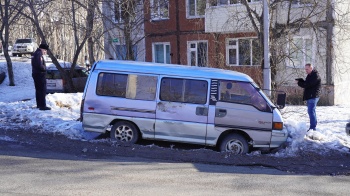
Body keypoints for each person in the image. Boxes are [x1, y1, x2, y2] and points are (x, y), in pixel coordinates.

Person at [296, 63, 321, 131]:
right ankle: (313, 126)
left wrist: (299, 83)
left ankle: (313, 128)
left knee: (311, 111)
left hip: (313, 96)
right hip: (310, 96)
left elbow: (308, 85)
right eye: (305, 69)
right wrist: (301, 80)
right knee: (312, 111)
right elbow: (307, 83)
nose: (306, 71)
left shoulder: (315, 76)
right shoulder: (309, 75)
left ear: (311, 68)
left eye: (307, 69)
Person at [32, 43, 51, 111]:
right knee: (42, 90)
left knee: (38, 90)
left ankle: (39, 104)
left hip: (36, 74)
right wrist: (45, 68)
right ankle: (42, 105)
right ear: (42, 49)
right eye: (45, 50)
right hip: (40, 74)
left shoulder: (35, 53)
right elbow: (39, 65)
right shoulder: (39, 54)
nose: (45, 52)